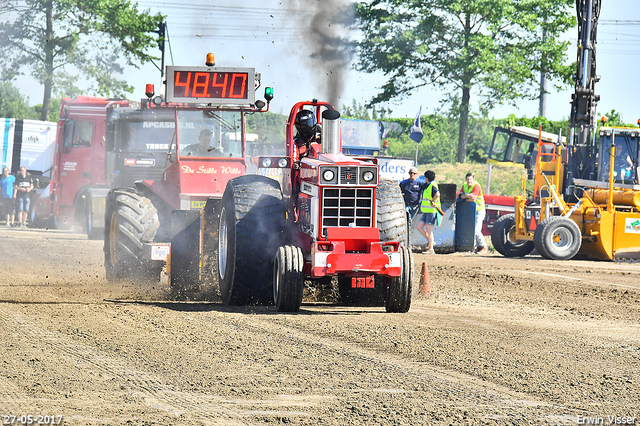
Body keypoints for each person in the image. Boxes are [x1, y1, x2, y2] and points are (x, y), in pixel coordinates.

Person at [459, 172, 488, 255]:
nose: (469, 181)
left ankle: (483, 246)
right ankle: (477, 247)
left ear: (473, 180)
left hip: (479, 210)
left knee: (476, 230)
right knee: (472, 230)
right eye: (468, 179)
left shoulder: (476, 186)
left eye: (470, 179)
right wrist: (467, 196)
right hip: (472, 211)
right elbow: (460, 196)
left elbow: (472, 199)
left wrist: (465, 196)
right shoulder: (464, 186)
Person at [417, 170, 440, 255]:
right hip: (427, 211)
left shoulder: (433, 185)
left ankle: (431, 249)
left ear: (426, 178)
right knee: (419, 227)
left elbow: (437, 194)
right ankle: (431, 242)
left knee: (429, 230)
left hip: (431, 211)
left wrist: (432, 201)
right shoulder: (429, 185)